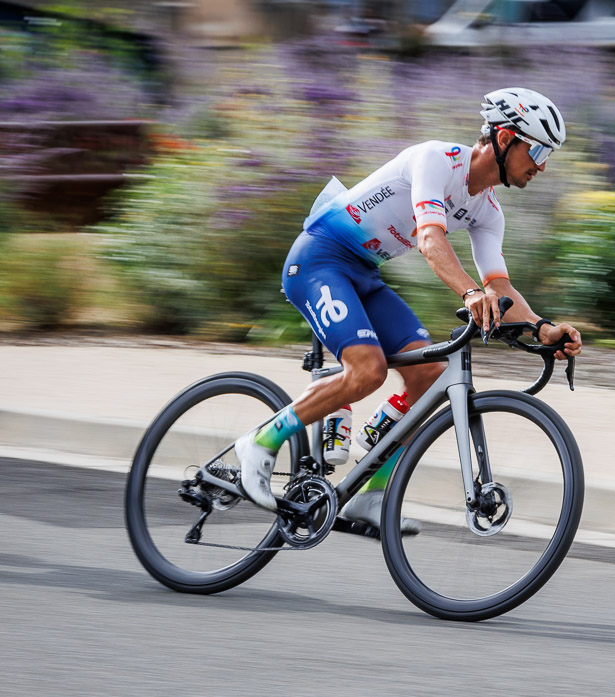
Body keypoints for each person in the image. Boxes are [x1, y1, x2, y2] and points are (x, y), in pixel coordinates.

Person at [234, 87, 583, 532]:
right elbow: (430, 239)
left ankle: (371, 494)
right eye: (536, 149)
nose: (542, 164)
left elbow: (501, 285)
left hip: (362, 274)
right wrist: (469, 293)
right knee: (368, 371)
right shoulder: (436, 160)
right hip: (319, 260)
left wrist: (542, 328)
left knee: (429, 377)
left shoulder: (489, 211)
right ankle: (259, 442)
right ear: (503, 137)